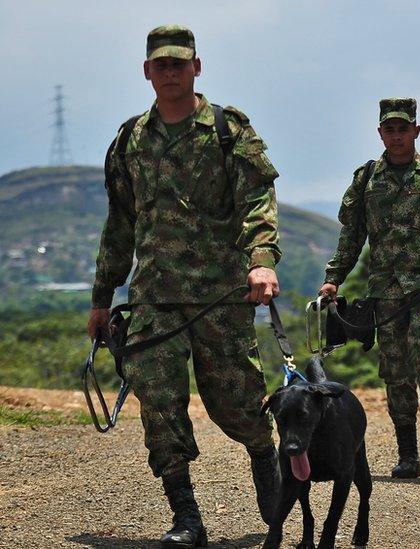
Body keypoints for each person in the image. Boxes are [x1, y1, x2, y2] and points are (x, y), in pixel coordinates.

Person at [87, 25, 282, 546]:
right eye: (161, 65)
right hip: (154, 298)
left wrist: (262, 262)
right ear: (147, 72)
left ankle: (266, 458)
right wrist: (102, 300)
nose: (170, 72)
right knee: (160, 402)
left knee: (237, 403)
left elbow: (258, 203)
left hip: (220, 295)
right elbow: (119, 225)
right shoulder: (130, 139)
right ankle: (187, 518)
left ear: (197, 67)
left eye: (180, 63)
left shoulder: (228, 130)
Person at [320, 97, 420, 478]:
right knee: (396, 370)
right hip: (386, 291)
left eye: (403, 128)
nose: (396, 135)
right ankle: (407, 454)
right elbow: (352, 234)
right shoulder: (366, 179)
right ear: (380, 133)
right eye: (389, 129)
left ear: (416, 131)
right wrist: (333, 277)